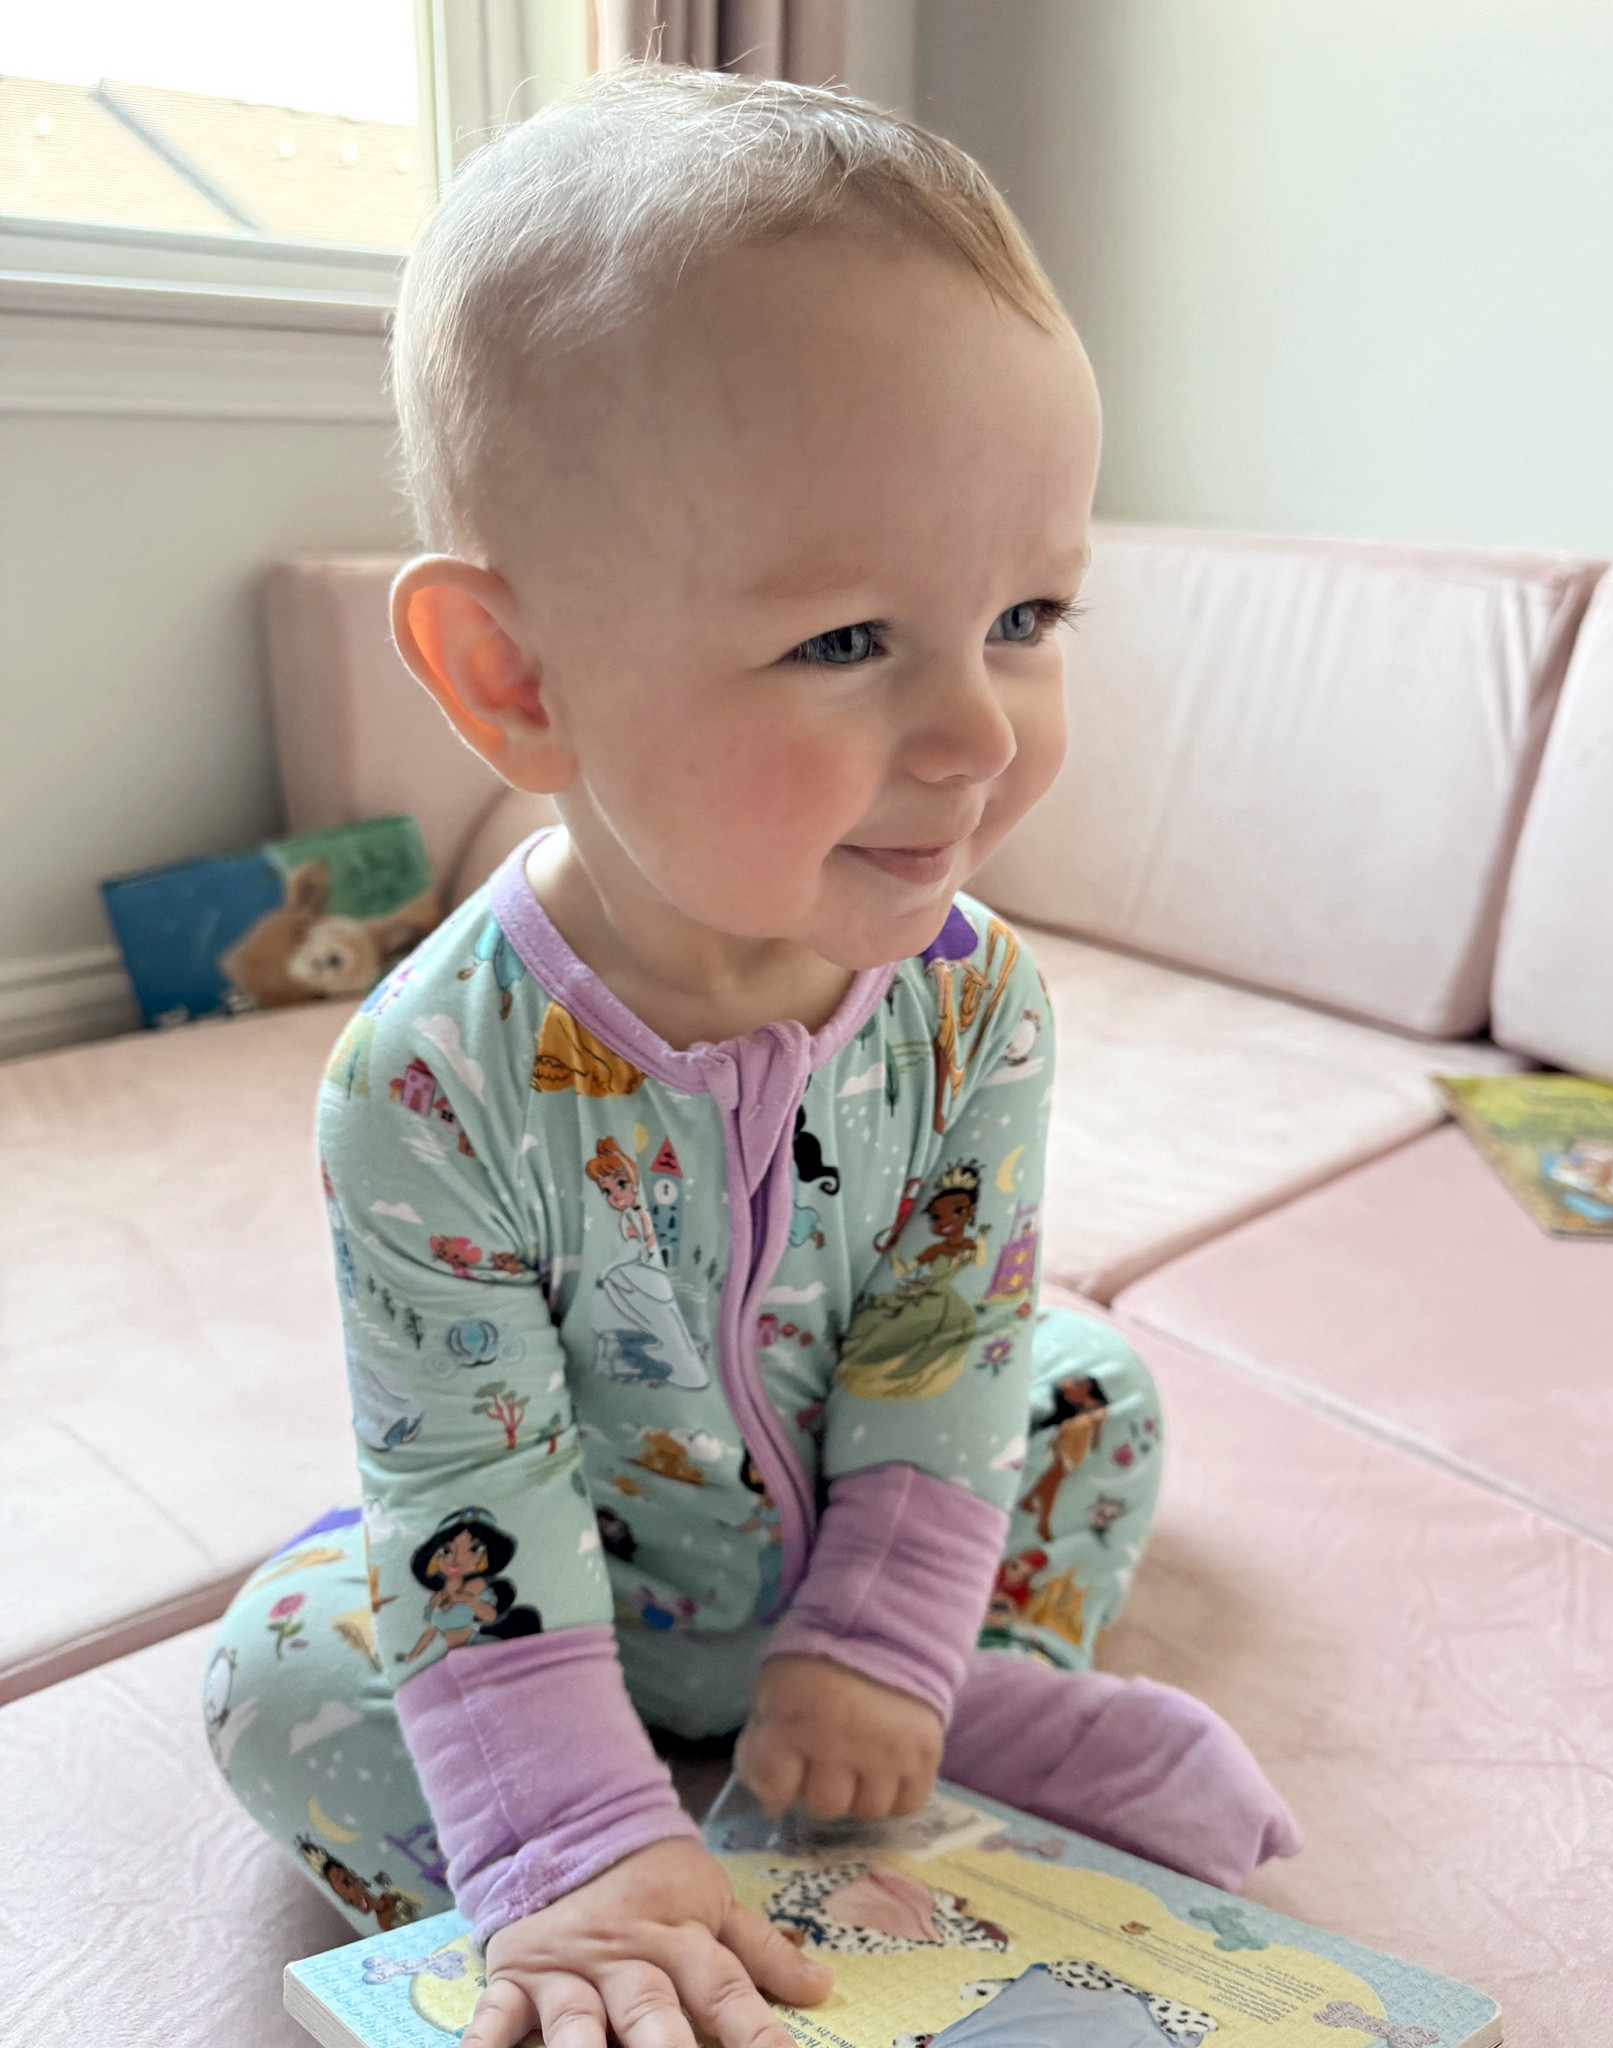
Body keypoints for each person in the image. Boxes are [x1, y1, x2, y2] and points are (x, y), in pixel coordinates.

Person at [205, 63, 1298, 2048]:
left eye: (1027, 613)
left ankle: (900, 1721)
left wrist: (877, 1648)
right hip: (566, 1579)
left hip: (852, 1532)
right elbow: (463, 1471)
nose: (977, 733)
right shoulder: (427, 1084)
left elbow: (949, 1342)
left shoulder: (978, 1000)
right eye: (848, 640)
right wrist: (565, 1831)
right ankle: (637, 1864)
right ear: (514, 680)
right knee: (284, 1679)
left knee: (1089, 1387)